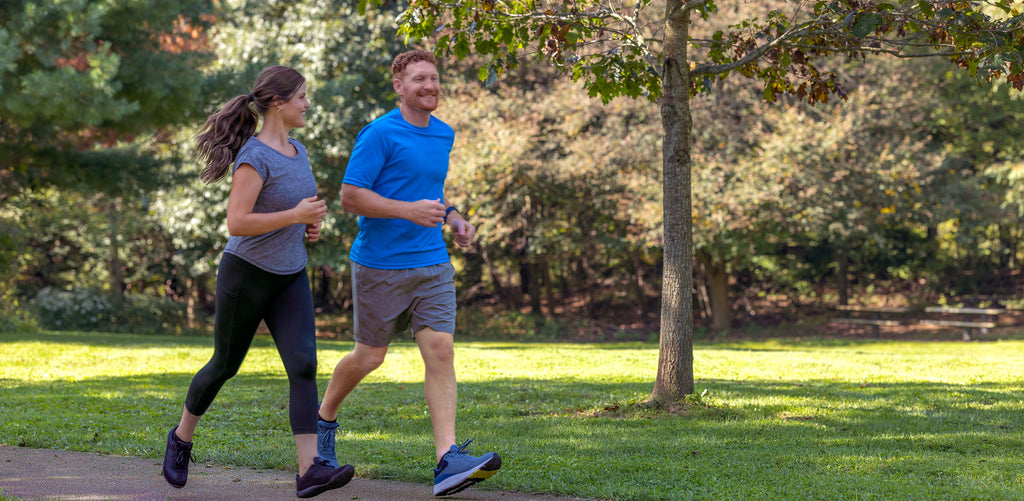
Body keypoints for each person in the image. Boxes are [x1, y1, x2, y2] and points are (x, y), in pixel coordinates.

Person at [161, 66, 355, 499]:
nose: (308, 104)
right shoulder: (253, 156)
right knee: (224, 366)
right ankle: (181, 439)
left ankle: (309, 471)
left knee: (304, 366)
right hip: (246, 275)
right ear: (278, 103)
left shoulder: (299, 151)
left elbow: (291, 209)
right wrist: (294, 216)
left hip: (290, 275)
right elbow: (237, 222)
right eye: (302, 96)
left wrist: (309, 226)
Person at [315, 49, 501, 497]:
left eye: (434, 78)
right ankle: (322, 422)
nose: (429, 86)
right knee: (369, 358)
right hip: (379, 265)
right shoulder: (379, 133)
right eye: (419, 78)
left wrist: (453, 218)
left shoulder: (444, 134)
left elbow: (430, 193)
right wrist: (407, 210)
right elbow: (351, 198)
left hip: (431, 263)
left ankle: (447, 459)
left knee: (439, 350)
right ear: (399, 86)